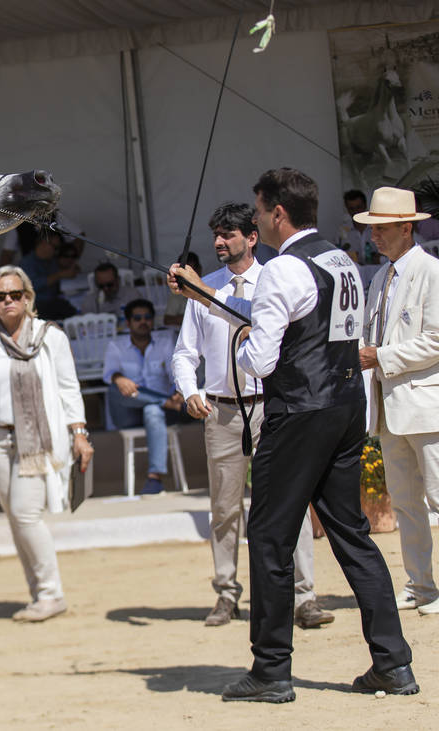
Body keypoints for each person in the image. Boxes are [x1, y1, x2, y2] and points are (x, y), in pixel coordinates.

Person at [170, 168, 415, 703]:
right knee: (351, 533)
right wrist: (211, 299)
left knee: (270, 536)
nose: (255, 218)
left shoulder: (283, 270)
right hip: (346, 405)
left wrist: (237, 341)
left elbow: (259, 359)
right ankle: (393, 663)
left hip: (299, 410)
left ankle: (271, 670)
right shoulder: (340, 259)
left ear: (277, 214)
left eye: (258, 211)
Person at [172, 202, 332, 629]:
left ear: (252, 237)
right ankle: (226, 594)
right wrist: (190, 391)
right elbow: (184, 354)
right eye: (216, 235)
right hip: (222, 412)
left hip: (273, 408)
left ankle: (304, 597)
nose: (220, 243)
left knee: (288, 502)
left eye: (229, 234)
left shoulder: (275, 281)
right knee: (224, 510)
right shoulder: (202, 288)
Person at [0, 266, 93, 622]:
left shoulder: (50, 337)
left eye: (15, 294)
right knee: (15, 519)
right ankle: (38, 594)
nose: (9, 301)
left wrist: (80, 433)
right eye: (0, 296)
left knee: (26, 514)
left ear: (28, 298)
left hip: (37, 440)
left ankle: (51, 593)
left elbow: (68, 387)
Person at [356, 186, 439, 615]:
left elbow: (437, 341)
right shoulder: (380, 278)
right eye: (373, 229)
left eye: (383, 228)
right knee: (406, 503)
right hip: (389, 406)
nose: (375, 236)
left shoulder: (431, 271)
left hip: (426, 405)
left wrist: (379, 356)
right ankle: (421, 586)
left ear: (407, 227)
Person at [104, 298, 185, 495]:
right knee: (114, 388)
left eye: (147, 317)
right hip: (128, 413)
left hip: (164, 413)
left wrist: (178, 392)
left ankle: (154, 478)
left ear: (153, 320)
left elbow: (177, 375)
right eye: (137, 318)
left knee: (152, 410)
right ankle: (163, 402)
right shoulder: (116, 345)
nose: (143, 321)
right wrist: (119, 378)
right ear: (128, 322)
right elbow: (109, 375)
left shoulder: (164, 343)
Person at [18, 230, 79, 320]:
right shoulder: (26, 263)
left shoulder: (52, 261)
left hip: (53, 303)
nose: (56, 251)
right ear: (43, 243)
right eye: (55, 247)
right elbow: (32, 286)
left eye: (58, 248)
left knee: (74, 313)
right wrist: (60, 275)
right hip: (35, 306)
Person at [80, 262, 142, 330]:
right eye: (101, 286)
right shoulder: (89, 301)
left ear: (118, 280)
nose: (105, 289)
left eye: (110, 284)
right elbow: (84, 327)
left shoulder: (132, 295)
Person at [336, 189, 376, 264]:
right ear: (347, 209)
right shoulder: (343, 230)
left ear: (365, 206)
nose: (356, 212)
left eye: (358, 207)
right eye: (351, 209)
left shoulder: (377, 227)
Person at [163, 253, 201, 327]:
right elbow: (167, 320)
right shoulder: (177, 293)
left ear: (199, 270)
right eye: (186, 272)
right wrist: (192, 317)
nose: (189, 276)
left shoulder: (209, 288)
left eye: (193, 271)